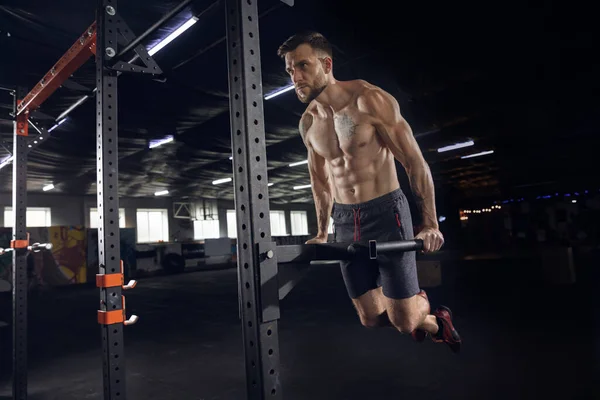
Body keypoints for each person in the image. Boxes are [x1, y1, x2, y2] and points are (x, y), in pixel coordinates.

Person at [277, 31, 461, 352]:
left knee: (403, 323)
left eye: (303, 66)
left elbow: (414, 163)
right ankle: (428, 319)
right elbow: (320, 181)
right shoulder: (309, 122)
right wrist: (322, 232)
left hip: (386, 213)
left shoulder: (369, 100)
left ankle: (429, 315)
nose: (296, 76)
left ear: (327, 64)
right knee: (371, 319)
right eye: (291, 70)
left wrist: (430, 223)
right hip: (346, 220)